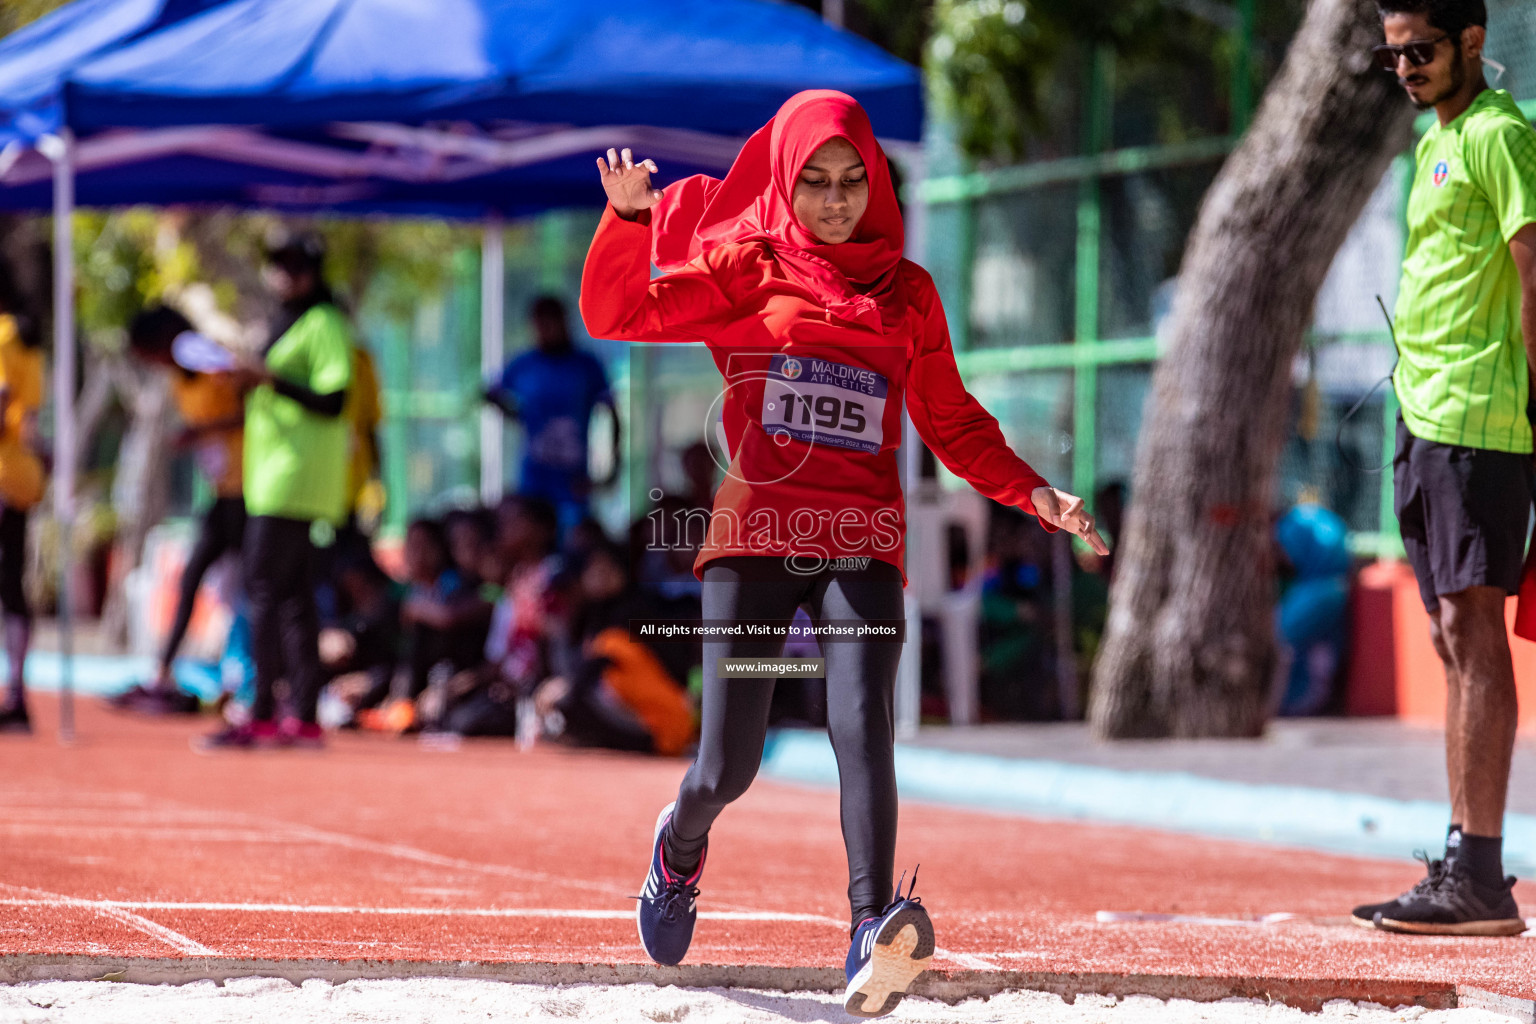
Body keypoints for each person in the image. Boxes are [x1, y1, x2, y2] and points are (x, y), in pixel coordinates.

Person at [580, 91, 1108, 1016]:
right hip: (757, 543)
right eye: (815, 182)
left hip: (862, 544)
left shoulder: (907, 296)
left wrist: (1033, 491)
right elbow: (621, 312)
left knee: (863, 724)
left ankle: (872, 925)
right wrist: (627, 222)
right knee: (727, 766)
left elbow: (952, 421)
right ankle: (681, 846)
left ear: (877, 182)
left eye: (852, 182)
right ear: (788, 182)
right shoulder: (749, 267)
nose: (834, 201)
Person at [1351, 0, 1536, 936]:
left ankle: (1483, 872)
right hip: (1422, 420)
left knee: (1475, 631)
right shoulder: (1435, 143)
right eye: (1393, 58)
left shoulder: (1503, 136)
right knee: (1449, 638)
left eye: (1420, 51)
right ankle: (1465, 862)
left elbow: (1534, 266)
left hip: (1482, 421)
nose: (1407, 69)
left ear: (1472, 40)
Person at [200, 231, 353, 749]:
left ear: (312, 272)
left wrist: (267, 377)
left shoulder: (323, 322)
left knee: (262, 589)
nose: (283, 276)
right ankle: (301, 713)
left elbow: (334, 399)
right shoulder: (286, 322)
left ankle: (262, 708)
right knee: (292, 598)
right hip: (272, 473)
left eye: (293, 266)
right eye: (277, 265)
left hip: (296, 475)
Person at [114, 306, 245, 715]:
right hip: (222, 490)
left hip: (249, 489)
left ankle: (244, 682)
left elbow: (248, 401)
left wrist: (200, 432)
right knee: (196, 580)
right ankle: (163, 674)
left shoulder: (196, 353)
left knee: (247, 588)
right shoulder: (181, 373)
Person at [484, 296, 619, 532]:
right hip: (533, 479)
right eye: (539, 325)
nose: (544, 331)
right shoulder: (524, 364)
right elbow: (490, 393)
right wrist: (521, 416)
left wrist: (611, 468)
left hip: (573, 480)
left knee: (573, 540)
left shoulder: (586, 366)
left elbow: (611, 412)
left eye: (550, 324)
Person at [0, 264, 43, 735]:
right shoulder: (28, 341)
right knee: (12, 584)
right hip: (23, 475)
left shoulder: (2, 335)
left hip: (1, 469)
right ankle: (17, 694)